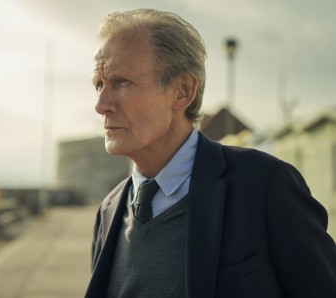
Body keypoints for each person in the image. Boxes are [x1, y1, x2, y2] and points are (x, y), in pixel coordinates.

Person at [85, 8, 336, 298]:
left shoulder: (265, 186)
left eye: (122, 82)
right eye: (99, 84)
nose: (101, 104)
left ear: (182, 91)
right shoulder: (108, 210)